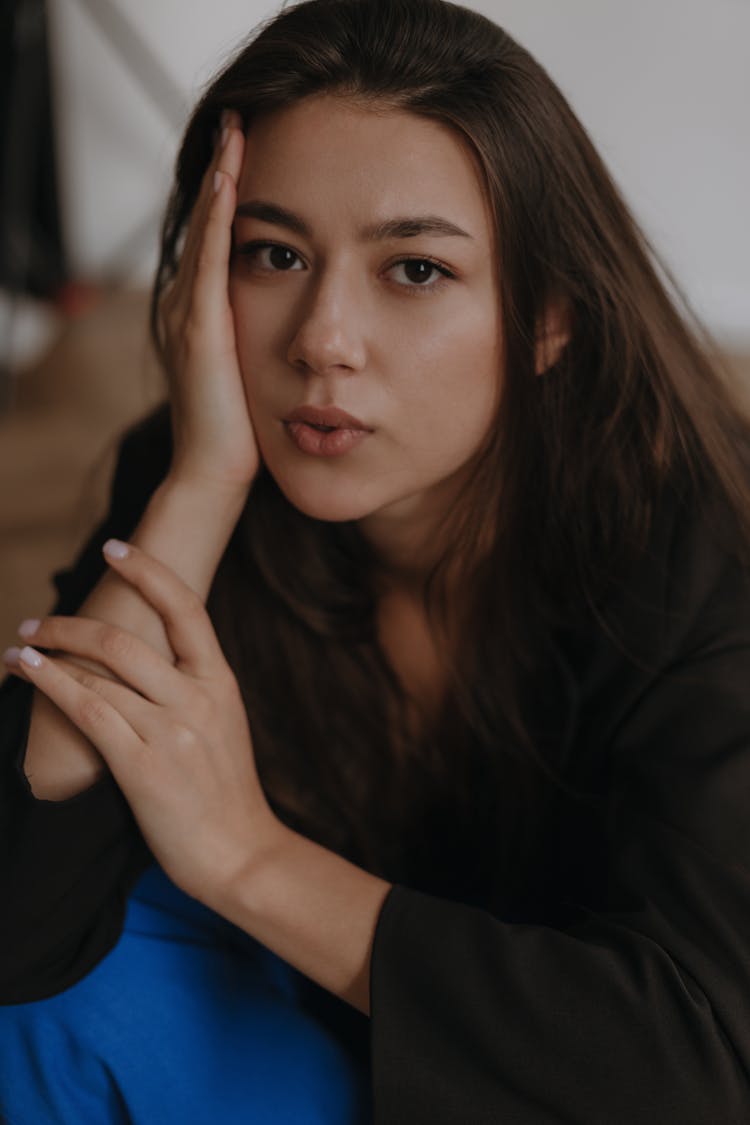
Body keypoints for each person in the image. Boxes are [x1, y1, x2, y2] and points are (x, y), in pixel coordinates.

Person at [2, 0, 750, 1120]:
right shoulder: (204, 473)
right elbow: (20, 927)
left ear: (548, 315)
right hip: (315, 1044)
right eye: (274, 254)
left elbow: (692, 1063)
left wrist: (248, 858)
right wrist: (202, 483)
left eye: (413, 271)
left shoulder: (705, 546)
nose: (320, 338)